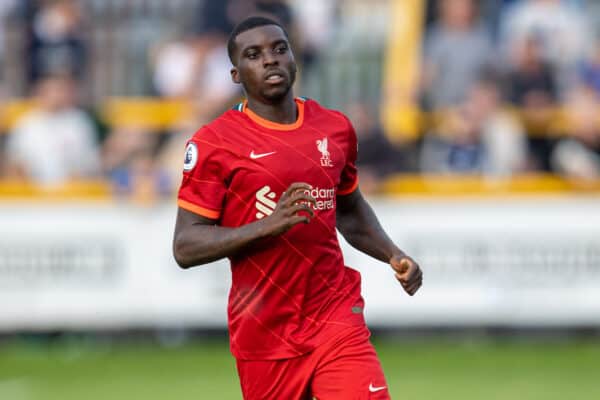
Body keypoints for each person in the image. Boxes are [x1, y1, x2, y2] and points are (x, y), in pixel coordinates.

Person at [172, 16, 422, 400]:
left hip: (334, 314)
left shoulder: (334, 129)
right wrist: (268, 225)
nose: (270, 60)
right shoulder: (214, 143)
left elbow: (350, 208)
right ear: (236, 74)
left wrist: (392, 253)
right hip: (264, 329)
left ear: (294, 59)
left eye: (279, 49)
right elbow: (185, 246)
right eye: (254, 55)